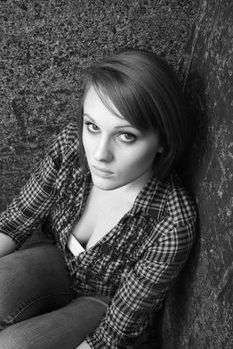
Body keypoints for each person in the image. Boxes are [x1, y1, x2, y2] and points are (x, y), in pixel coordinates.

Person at [0, 50, 197, 349]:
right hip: (54, 260)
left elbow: (114, 333)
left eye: (126, 136)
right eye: (93, 127)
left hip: (102, 304)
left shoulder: (172, 221)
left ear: (163, 139)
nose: (99, 154)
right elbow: (15, 223)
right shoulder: (70, 146)